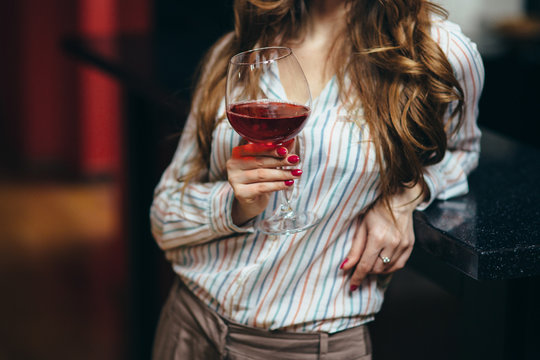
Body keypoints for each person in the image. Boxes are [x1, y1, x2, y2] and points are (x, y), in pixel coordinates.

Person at [150, 0, 484, 359]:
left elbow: (461, 150)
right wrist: (235, 204)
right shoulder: (234, 53)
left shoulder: (438, 51)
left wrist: (404, 197)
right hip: (188, 325)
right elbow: (164, 216)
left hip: (309, 347)